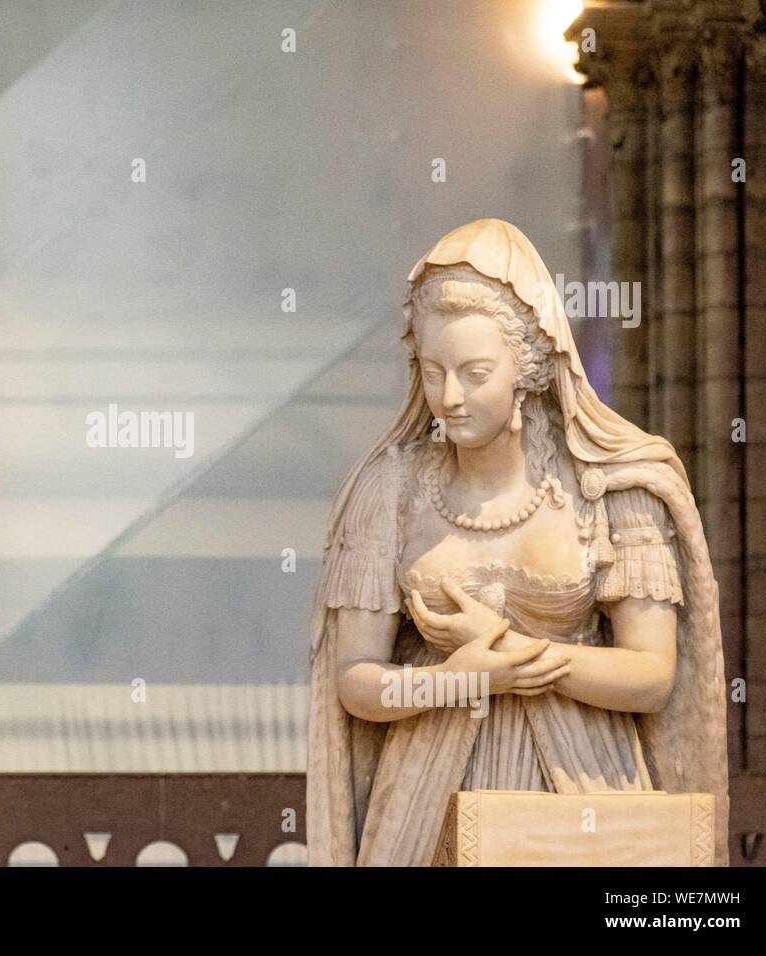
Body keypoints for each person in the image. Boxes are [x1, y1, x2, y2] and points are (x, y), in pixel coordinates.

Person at [307, 219, 728, 866]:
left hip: (587, 791)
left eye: (475, 372)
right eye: (431, 371)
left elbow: (652, 675)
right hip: (428, 792)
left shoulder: (610, 487)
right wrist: (453, 681)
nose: (449, 397)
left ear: (527, 364)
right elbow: (355, 682)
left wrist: (513, 660)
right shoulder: (388, 489)